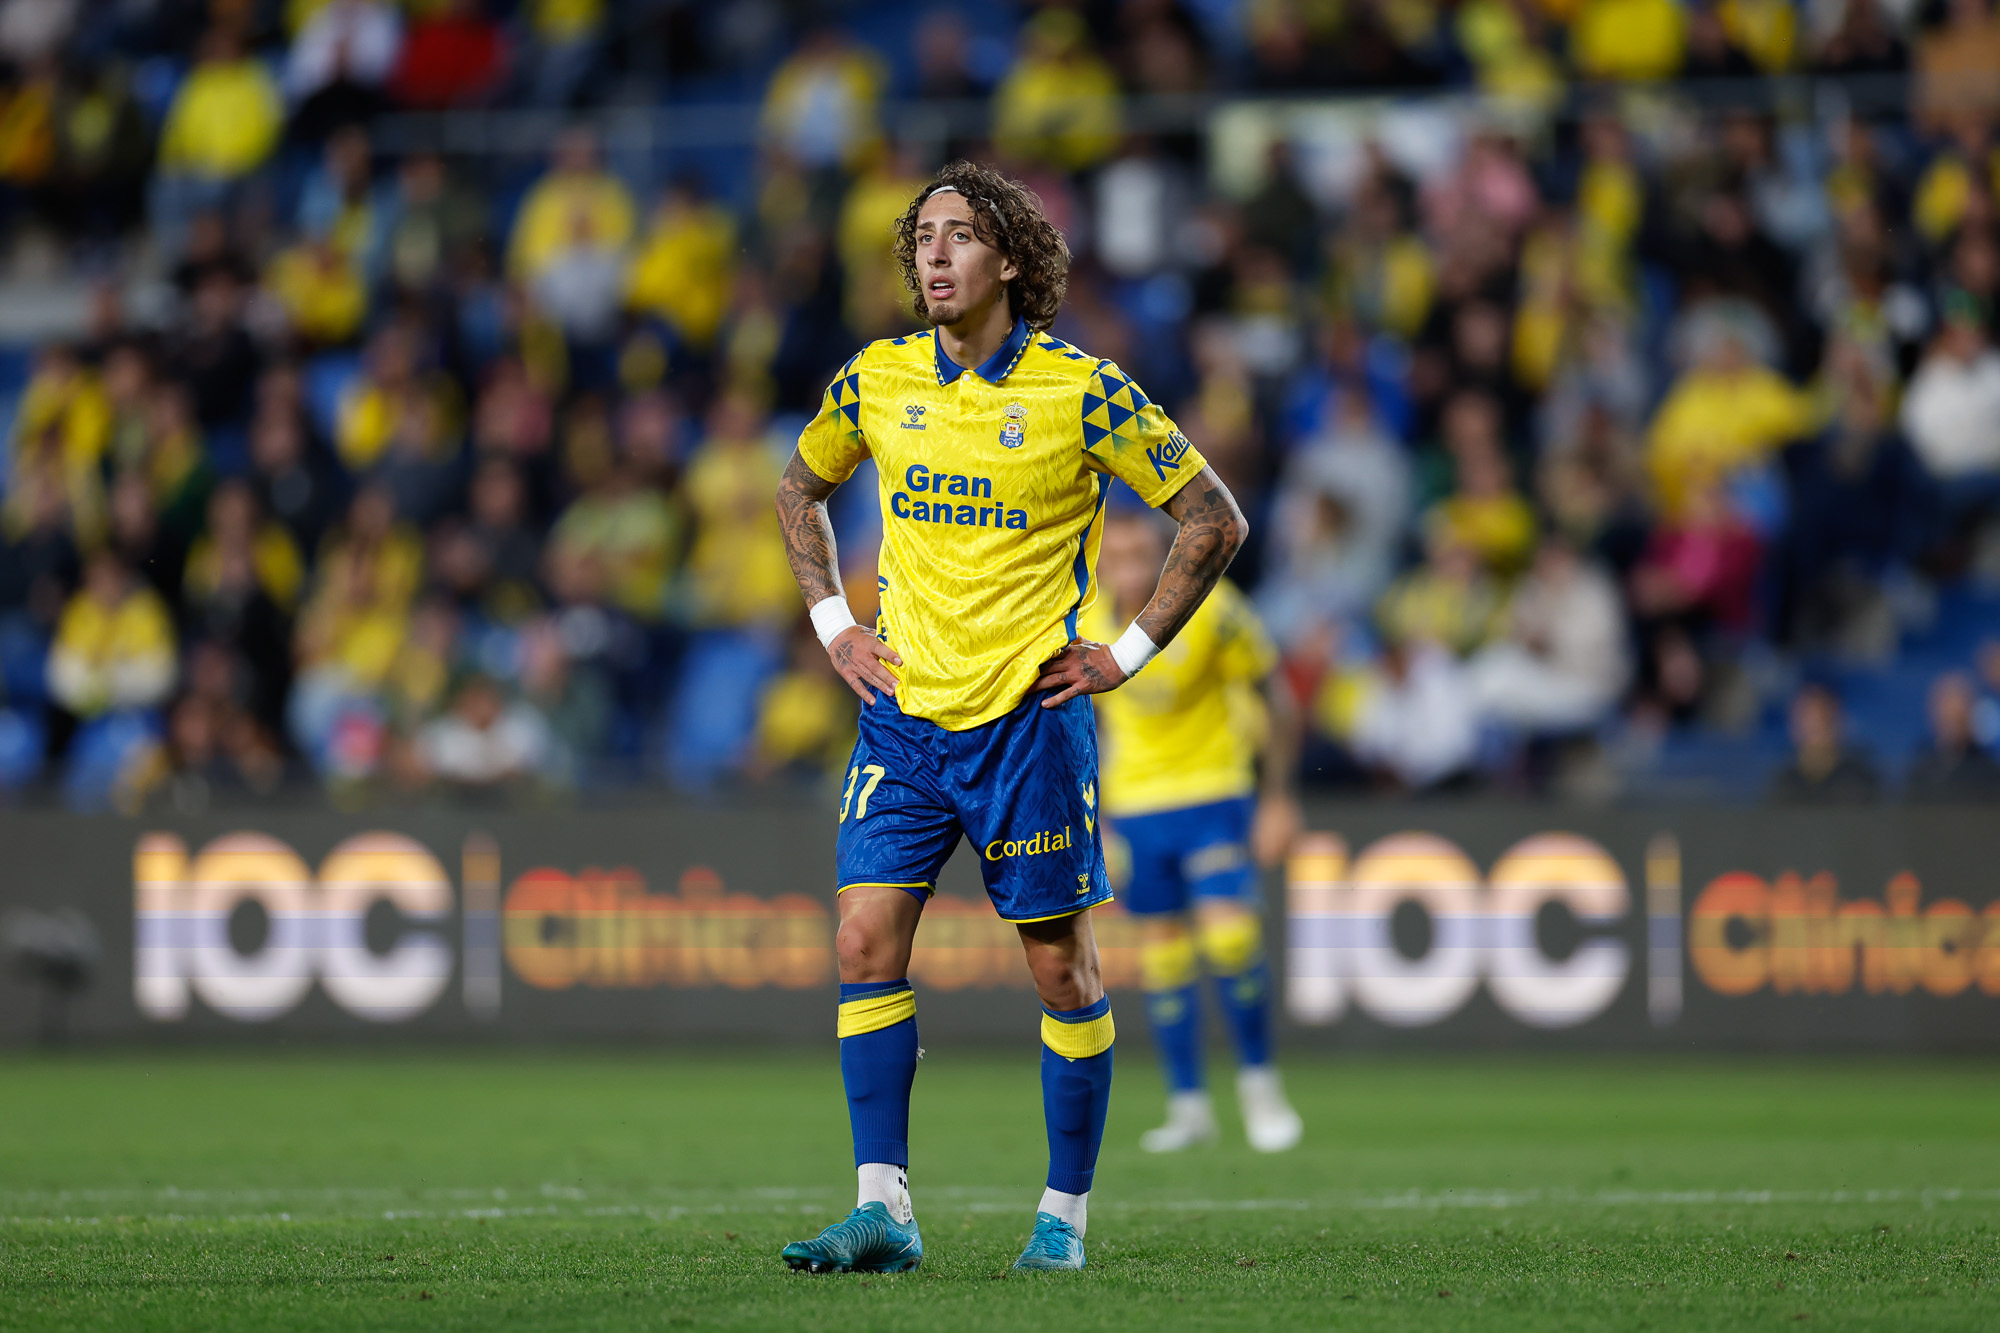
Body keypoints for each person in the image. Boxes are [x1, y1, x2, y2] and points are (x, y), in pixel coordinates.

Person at [772, 161, 1246, 1275]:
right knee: (859, 939)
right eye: (921, 237)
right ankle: (881, 1206)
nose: (933, 256)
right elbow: (797, 489)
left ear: (1012, 262)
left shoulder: (1080, 389)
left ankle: (1061, 1218)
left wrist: (1123, 652)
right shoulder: (877, 379)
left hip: (1028, 722)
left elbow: (1210, 518)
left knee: (1059, 973)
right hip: (903, 717)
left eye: (958, 237)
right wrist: (836, 623)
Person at [1079, 510, 1303, 1155]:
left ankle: (1262, 1090)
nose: (1127, 560)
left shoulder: (1214, 609)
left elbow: (1276, 697)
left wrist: (1279, 799)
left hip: (1214, 790)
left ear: (1165, 551)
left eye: (1139, 547)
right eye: (1114, 549)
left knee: (1232, 939)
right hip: (1138, 804)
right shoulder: (1089, 621)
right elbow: (1085, 729)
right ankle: (1189, 1107)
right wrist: (1100, 817)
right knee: (1164, 955)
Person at [1767, 683, 1881, 803]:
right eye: (1808, 721)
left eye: (1824, 719)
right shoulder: (1783, 782)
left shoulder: (1859, 779)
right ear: (1794, 725)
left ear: (1838, 721)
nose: (1816, 728)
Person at [1906, 672, 2000, 802]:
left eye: (1957, 716)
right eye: (1945, 713)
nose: (1950, 722)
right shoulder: (1920, 769)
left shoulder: (1989, 772)